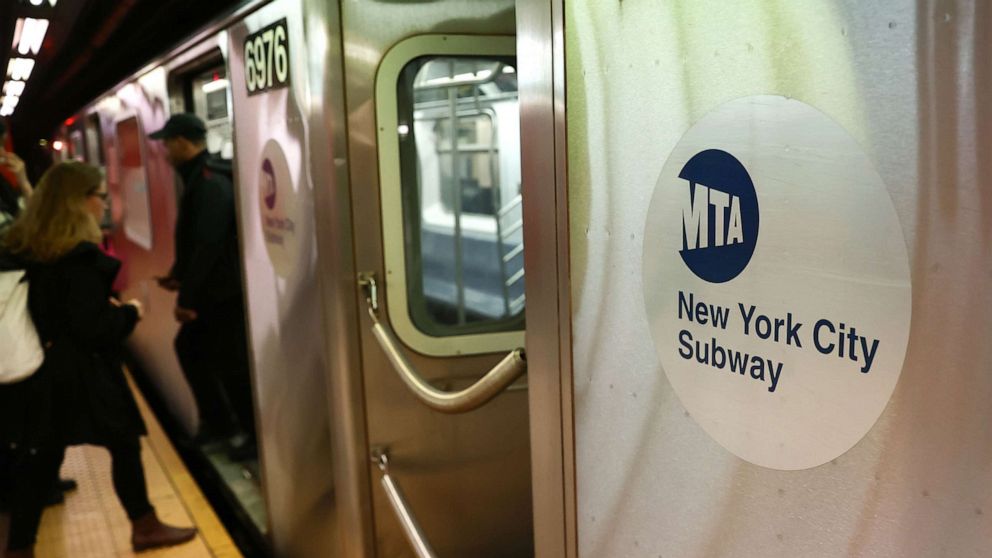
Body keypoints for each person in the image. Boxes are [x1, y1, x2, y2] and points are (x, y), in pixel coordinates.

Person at [0, 161, 197, 556]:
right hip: (85, 372)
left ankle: (20, 548)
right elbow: (94, 327)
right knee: (123, 442)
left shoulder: (30, 246)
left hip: (47, 368)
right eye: (101, 197)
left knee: (41, 460)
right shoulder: (80, 257)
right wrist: (130, 313)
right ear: (80, 202)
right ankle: (145, 527)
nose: (105, 206)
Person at [148, 114, 255, 460]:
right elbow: (196, 240)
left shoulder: (208, 182)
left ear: (182, 142)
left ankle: (246, 432)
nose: (164, 151)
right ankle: (222, 424)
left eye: (167, 143)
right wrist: (179, 273)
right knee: (197, 352)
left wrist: (187, 298)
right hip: (213, 290)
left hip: (222, 293)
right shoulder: (199, 177)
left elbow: (209, 244)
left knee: (229, 363)